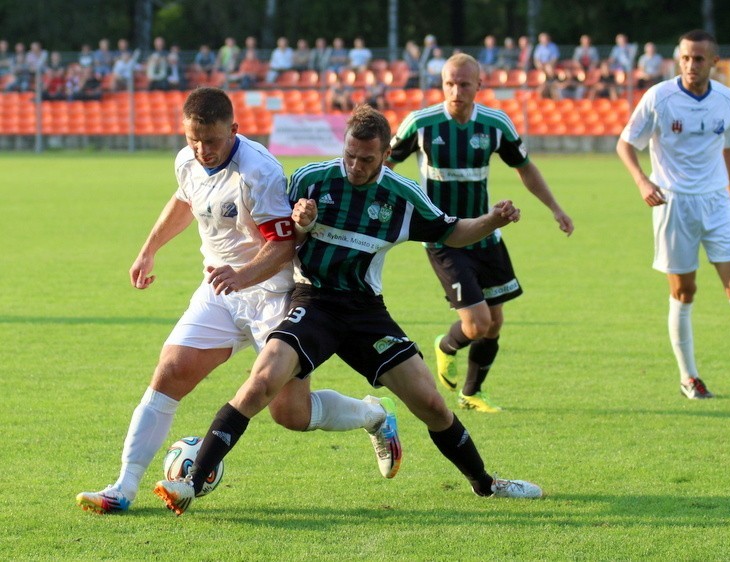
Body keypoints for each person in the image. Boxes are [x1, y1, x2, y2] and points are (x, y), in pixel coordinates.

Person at [153, 104, 544, 516]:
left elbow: (453, 232)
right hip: (312, 302)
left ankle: (487, 485)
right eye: (350, 155)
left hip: (365, 312)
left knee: (430, 404)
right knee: (259, 383)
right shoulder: (310, 179)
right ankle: (189, 485)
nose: (356, 166)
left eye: (367, 159)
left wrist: (491, 220)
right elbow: (278, 239)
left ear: (385, 152)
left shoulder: (402, 195)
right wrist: (301, 223)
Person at [76, 88, 396, 515]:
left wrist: (241, 276)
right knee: (169, 372)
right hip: (222, 290)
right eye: (193, 139)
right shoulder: (187, 159)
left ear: (234, 130)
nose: (202, 149)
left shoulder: (258, 171)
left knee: (290, 412)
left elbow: (283, 247)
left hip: (274, 294)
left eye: (211, 140)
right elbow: (185, 199)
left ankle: (373, 415)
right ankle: (123, 487)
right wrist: (149, 249)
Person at [615, 29, 730, 402]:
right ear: (677, 60)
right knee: (684, 291)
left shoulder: (727, 99)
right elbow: (625, 143)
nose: (690, 65)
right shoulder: (659, 97)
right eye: (684, 58)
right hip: (674, 204)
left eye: (699, 59)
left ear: (715, 62)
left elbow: (729, 147)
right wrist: (642, 182)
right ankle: (689, 378)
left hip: (716, 203)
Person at [387, 54, 574, 412]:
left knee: (495, 323)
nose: (456, 91)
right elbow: (385, 167)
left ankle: (472, 393)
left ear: (479, 86)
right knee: (477, 323)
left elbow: (525, 168)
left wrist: (556, 208)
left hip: (487, 235)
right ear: (442, 85)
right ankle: (446, 346)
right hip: (443, 236)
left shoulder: (495, 124)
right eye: (449, 84)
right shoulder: (420, 123)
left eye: (464, 84)